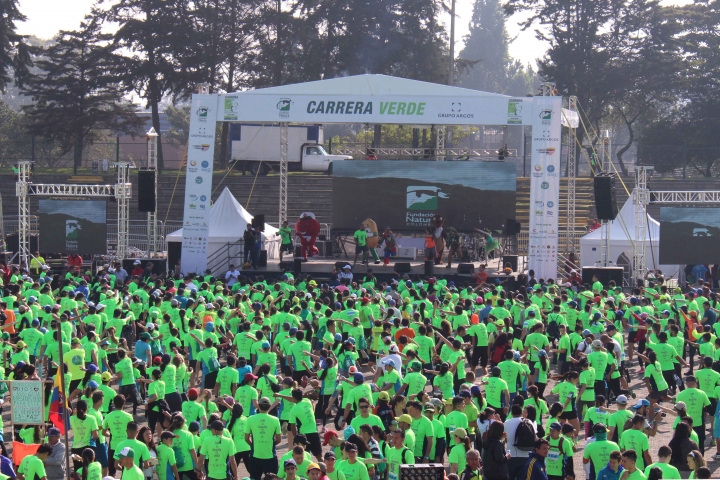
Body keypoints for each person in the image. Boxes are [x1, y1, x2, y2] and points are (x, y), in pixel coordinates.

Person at [245, 397, 282, 480]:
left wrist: (253, 445)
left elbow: (246, 438)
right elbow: (279, 440)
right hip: (270, 457)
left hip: (255, 456)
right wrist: (271, 443)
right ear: (269, 406)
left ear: (258, 406)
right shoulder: (275, 420)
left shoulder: (250, 419)